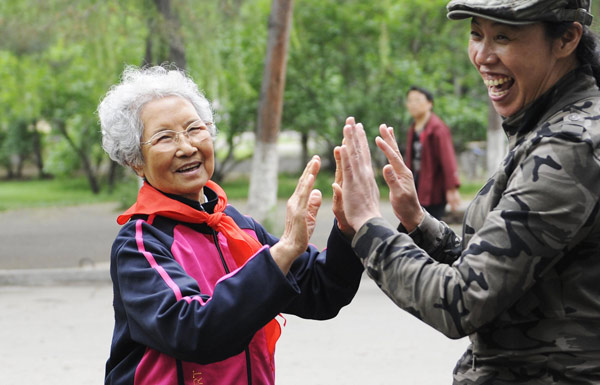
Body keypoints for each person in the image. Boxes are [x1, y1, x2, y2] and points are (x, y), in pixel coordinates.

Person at [333, 0, 600, 383]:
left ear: (567, 38)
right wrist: (418, 221)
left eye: (503, 37)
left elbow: (461, 301)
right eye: (476, 34)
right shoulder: (550, 123)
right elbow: (498, 272)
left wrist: (367, 226)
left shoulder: (571, 145)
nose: (482, 55)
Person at [98, 65, 363, 385]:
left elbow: (323, 291)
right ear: (135, 160)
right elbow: (194, 331)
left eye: (194, 129)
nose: (186, 147)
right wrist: (283, 252)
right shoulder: (140, 243)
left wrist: (348, 226)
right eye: (165, 137)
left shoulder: (235, 226)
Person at [404, 85, 461, 219]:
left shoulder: (437, 128)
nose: (413, 104)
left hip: (433, 187)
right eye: (410, 100)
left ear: (429, 104)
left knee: (431, 225)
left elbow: (448, 159)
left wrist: (452, 189)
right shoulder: (413, 129)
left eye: (417, 100)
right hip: (417, 183)